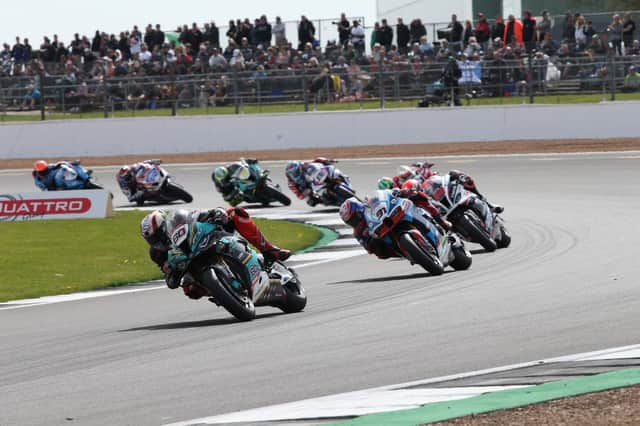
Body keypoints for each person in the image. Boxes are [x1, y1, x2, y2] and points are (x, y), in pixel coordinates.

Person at [140, 208, 290, 299]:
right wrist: (171, 275)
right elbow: (168, 276)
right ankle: (224, 293)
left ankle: (270, 250)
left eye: (159, 235)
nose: (159, 241)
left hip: (209, 240)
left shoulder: (178, 219)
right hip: (191, 265)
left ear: (165, 225)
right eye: (154, 240)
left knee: (234, 213)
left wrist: (217, 213)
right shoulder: (157, 254)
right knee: (190, 289)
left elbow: (200, 215)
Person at [339, 187, 451, 260]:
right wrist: (371, 241)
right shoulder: (358, 232)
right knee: (380, 250)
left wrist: (399, 192)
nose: (354, 222)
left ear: (359, 210)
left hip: (392, 217)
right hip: (388, 240)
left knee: (417, 196)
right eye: (350, 222)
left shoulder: (370, 203)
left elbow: (386, 195)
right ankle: (414, 253)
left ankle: (440, 221)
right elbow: (370, 250)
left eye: (354, 218)